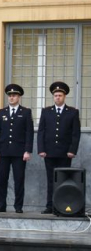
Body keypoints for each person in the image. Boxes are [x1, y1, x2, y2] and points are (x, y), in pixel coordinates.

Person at [37, 81, 81, 215]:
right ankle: (50, 206)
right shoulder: (46, 111)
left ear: (64, 96)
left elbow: (75, 133)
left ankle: (61, 206)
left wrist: (72, 150)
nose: (57, 97)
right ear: (53, 96)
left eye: (60, 95)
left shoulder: (72, 112)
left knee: (63, 180)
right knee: (51, 180)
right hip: (49, 153)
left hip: (64, 153)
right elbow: (41, 132)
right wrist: (41, 149)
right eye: (55, 95)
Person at [0, 84, 33, 214]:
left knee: (19, 180)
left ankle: (18, 206)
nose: (11, 97)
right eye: (9, 95)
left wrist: (27, 151)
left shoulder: (25, 112)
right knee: (2, 179)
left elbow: (29, 133)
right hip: (3, 152)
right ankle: (1, 205)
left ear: (19, 97)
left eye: (14, 95)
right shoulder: (1, 112)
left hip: (19, 152)